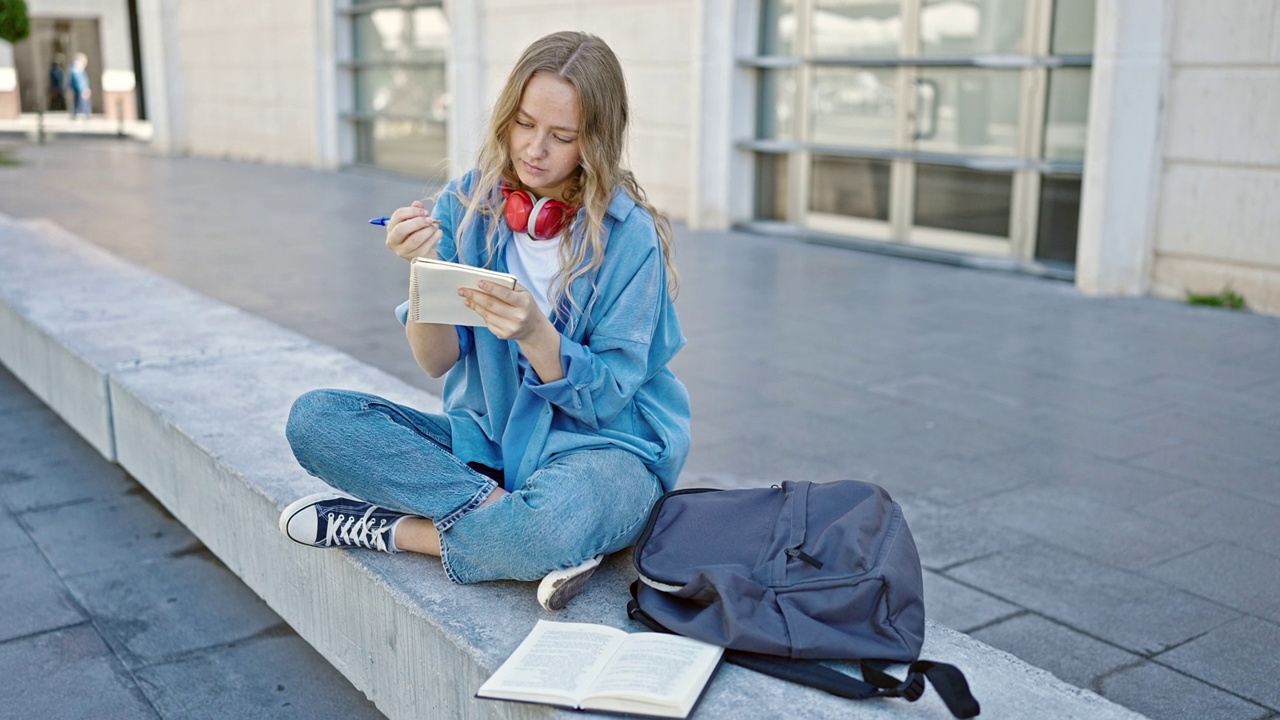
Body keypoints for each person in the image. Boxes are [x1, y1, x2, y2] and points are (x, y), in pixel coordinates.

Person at [279, 31, 689, 612]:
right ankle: (520, 534)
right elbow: (435, 361)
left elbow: (608, 402)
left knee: (547, 526)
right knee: (316, 420)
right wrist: (424, 267)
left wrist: (535, 334)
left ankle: (401, 530)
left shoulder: (630, 238)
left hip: (605, 451)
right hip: (490, 442)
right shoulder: (468, 204)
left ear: (595, 141)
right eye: (524, 123)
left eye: (562, 136)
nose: (534, 149)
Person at [68, 53, 91, 120]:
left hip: (78, 89)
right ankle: (86, 115)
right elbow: (80, 81)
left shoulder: (74, 69)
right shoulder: (77, 69)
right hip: (80, 89)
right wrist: (83, 89)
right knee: (83, 103)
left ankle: (75, 115)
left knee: (78, 103)